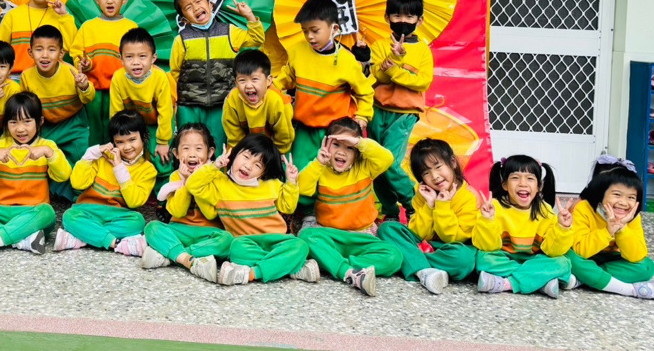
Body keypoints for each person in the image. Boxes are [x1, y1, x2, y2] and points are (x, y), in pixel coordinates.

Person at [185, 134, 316, 285]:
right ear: (235, 154)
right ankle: (288, 267)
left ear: (263, 172)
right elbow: (193, 185)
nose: (248, 166)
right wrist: (215, 166)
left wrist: (291, 182)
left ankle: (253, 273)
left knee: (301, 246)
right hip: (246, 242)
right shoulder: (220, 184)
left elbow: (288, 207)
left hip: (277, 240)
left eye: (258, 165)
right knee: (235, 249)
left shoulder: (271, 184)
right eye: (246, 157)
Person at [0, 91, 72, 259]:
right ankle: (23, 239)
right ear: (6, 124)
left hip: (31, 212)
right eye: (13, 122)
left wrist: (48, 153)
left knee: (47, 213)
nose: (20, 129)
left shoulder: (47, 146)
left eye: (27, 121)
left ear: (40, 121)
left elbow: (64, 175)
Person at [297, 119, 402, 296]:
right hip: (330, 235)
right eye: (336, 144)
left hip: (362, 237)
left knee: (394, 257)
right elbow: (302, 188)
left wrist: (360, 142)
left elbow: (387, 158)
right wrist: (318, 163)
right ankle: (347, 271)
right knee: (306, 236)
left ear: (357, 153)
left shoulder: (365, 168)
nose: (341, 152)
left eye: (349, 147)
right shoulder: (321, 168)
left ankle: (336, 263)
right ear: (326, 145)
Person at [273, 0, 373, 179]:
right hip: (304, 128)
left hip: (336, 132)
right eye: (305, 31)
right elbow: (287, 77)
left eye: (315, 30)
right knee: (299, 171)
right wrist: (270, 88)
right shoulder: (297, 51)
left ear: (334, 29)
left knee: (331, 176)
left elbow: (365, 92)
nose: (309, 36)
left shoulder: (347, 61)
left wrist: (363, 116)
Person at [169, 0, 264, 155]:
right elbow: (175, 73)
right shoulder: (181, 40)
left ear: (210, 5)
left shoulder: (229, 31)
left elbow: (257, 39)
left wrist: (249, 16)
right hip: (189, 105)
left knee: (220, 150)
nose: (195, 8)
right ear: (184, 19)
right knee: (188, 149)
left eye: (198, 2)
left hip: (221, 103)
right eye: (188, 8)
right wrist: (174, 105)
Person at [377, 138, 479, 294]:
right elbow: (418, 233)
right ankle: (427, 271)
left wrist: (442, 206)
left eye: (438, 167)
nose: (435, 176)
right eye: (426, 173)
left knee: (464, 259)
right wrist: (429, 205)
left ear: (452, 162)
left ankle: (414, 263)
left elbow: (452, 238)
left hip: (449, 249)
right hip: (424, 245)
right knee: (387, 229)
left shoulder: (469, 196)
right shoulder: (424, 192)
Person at [53, 110, 157, 255]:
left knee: (137, 222)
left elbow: (134, 202)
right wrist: (89, 155)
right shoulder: (101, 159)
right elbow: (77, 183)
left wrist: (119, 167)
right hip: (89, 210)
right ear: (113, 142)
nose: (127, 147)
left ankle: (83, 237)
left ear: (144, 137)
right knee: (69, 216)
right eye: (120, 142)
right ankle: (115, 243)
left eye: (132, 139)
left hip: (118, 214)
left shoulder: (148, 170)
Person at [567, 156, 654, 301]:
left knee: (647, 266)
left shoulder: (632, 216)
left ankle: (585, 278)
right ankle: (628, 289)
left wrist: (622, 228)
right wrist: (608, 231)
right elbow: (580, 251)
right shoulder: (583, 208)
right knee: (569, 258)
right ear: (600, 193)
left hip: (609, 261)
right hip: (585, 257)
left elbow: (637, 256)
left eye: (631, 197)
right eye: (617, 195)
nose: (623, 202)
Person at [370, 0, 433, 222]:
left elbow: (422, 82)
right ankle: (390, 212)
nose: (403, 21)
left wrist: (394, 70)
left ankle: (414, 203)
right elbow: (378, 77)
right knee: (376, 163)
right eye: (397, 16)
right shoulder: (379, 46)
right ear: (387, 17)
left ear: (419, 20)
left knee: (389, 161)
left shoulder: (423, 51)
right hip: (378, 111)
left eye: (409, 16)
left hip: (405, 114)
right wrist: (394, 61)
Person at [472, 155, 575, 298]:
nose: (523, 184)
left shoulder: (545, 211)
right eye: (515, 178)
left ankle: (507, 283)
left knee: (563, 263)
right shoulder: (493, 207)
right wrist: (487, 220)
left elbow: (553, 251)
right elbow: (487, 247)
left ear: (539, 186)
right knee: (483, 259)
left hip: (535, 259)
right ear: (504, 185)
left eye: (530, 178)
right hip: (505, 259)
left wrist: (562, 227)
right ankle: (538, 281)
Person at [141, 123, 233, 282]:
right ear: (176, 153)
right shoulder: (175, 176)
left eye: (198, 149)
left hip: (207, 233)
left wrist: (197, 182)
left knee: (227, 240)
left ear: (210, 152)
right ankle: (189, 259)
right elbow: (177, 211)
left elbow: (211, 214)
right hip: (180, 230)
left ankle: (173, 255)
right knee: (152, 227)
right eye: (186, 149)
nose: (192, 154)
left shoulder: (217, 176)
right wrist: (185, 182)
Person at [19, 24, 94, 199]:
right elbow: (26, 109)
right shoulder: (27, 76)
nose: (45, 55)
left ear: (61, 53)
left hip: (73, 123)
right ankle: (43, 192)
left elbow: (88, 99)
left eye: (51, 50)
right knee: (37, 157)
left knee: (80, 158)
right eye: (39, 49)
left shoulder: (71, 72)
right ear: (30, 53)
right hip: (45, 126)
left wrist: (84, 86)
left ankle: (80, 197)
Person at [70, 0, 138, 145]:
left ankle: (115, 156)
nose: (109, 1)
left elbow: (137, 56)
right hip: (92, 88)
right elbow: (76, 52)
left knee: (116, 126)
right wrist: (83, 63)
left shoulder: (131, 27)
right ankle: (93, 157)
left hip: (120, 87)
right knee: (93, 126)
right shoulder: (88, 27)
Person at [109, 27, 174, 184]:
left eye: (142, 56)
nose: (136, 62)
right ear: (121, 59)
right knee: (130, 156)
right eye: (129, 57)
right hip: (133, 125)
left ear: (153, 58)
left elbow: (165, 112)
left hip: (157, 123)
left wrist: (163, 141)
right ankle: (137, 188)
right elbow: (116, 113)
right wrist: (118, 140)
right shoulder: (118, 78)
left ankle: (163, 193)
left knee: (160, 158)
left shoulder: (159, 77)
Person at [0, 0, 77, 75]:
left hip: (49, 77)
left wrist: (64, 15)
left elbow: (71, 47)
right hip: (16, 76)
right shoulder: (13, 15)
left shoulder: (60, 17)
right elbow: (0, 49)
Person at [221, 49, 293, 153]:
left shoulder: (277, 101)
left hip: (273, 149)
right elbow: (235, 138)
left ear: (268, 81)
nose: (248, 85)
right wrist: (242, 154)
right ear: (236, 83)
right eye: (242, 80)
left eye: (254, 79)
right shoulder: (232, 100)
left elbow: (284, 137)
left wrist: (274, 155)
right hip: (245, 149)